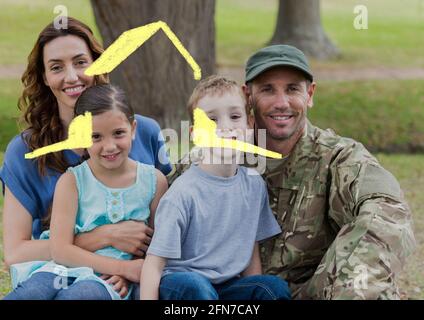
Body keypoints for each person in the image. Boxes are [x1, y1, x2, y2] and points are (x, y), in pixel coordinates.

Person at [170, 45, 416, 300]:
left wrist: (349, 290)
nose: (281, 103)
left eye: (292, 89)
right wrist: (124, 237)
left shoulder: (338, 157)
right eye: (267, 89)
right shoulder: (218, 155)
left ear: (309, 94)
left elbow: (387, 216)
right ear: (248, 96)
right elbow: (151, 197)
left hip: (314, 293)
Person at [0, 17, 171, 299]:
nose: (71, 77)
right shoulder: (25, 151)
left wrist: (127, 268)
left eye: (81, 62)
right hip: (49, 273)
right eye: (56, 67)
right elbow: (16, 253)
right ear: (44, 77)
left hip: (119, 282)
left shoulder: (144, 132)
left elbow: (164, 230)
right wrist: (104, 237)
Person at [140, 75, 291, 300]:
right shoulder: (183, 193)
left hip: (226, 288)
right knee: (197, 288)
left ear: (249, 124)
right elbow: (153, 264)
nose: (225, 127)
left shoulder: (253, 184)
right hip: (181, 285)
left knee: (271, 288)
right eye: (211, 121)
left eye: (235, 116)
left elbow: (250, 251)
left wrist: (253, 291)